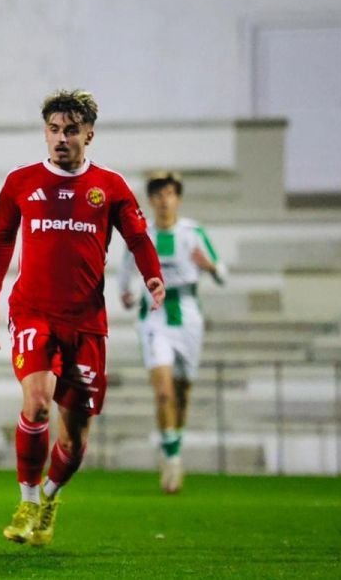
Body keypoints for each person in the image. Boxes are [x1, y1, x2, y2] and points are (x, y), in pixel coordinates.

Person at [0, 89, 165, 547]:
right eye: (54, 130)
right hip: (33, 312)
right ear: (46, 132)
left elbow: (139, 239)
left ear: (89, 135)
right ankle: (26, 502)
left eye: (71, 131)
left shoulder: (112, 187)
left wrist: (154, 278)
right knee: (36, 403)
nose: (61, 139)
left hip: (85, 323)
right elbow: (3, 240)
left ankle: (49, 496)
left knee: (76, 438)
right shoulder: (20, 182)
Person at [119, 172, 225, 494]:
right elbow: (125, 276)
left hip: (189, 316)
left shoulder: (193, 233)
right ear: (151, 200)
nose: (165, 200)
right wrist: (126, 294)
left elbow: (223, 275)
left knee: (182, 393)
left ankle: (171, 446)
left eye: (170, 193)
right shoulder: (141, 235)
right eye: (158, 194)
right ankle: (173, 458)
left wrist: (210, 267)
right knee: (163, 391)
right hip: (154, 315)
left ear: (178, 198)